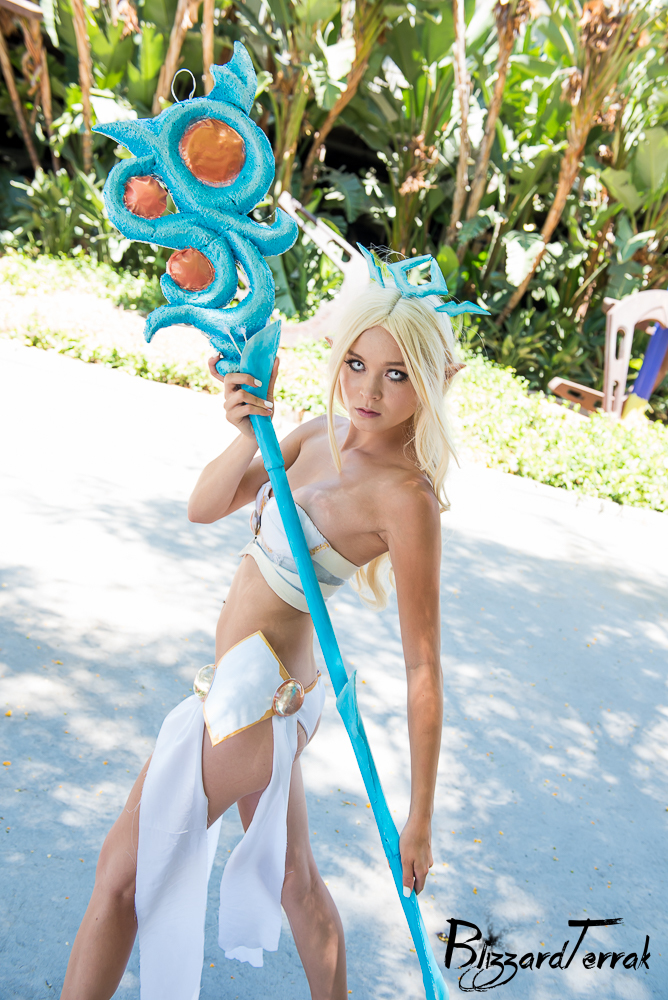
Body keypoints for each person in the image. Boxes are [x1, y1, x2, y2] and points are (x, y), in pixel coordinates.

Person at [60, 281, 462, 1000]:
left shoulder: (407, 498)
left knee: (121, 876)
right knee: (295, 881)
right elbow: (203, 506)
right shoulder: (313, 434)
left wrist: (420, 818)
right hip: (258, 689)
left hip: (256, 700)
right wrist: (249, 430)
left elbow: (423, 670)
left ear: (434, 381)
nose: (368, 390)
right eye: (356, 364)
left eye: (397, 374)